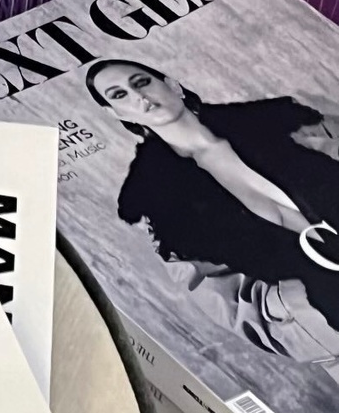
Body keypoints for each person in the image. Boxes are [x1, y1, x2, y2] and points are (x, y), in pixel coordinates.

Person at [84, 59, 339, 368]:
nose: (139, 96)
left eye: (141, 82)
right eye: (119, 95)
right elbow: (231, 304)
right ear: (116, 113)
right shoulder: (159, 204)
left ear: (172, 85)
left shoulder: (284, 122)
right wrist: (308, 299)